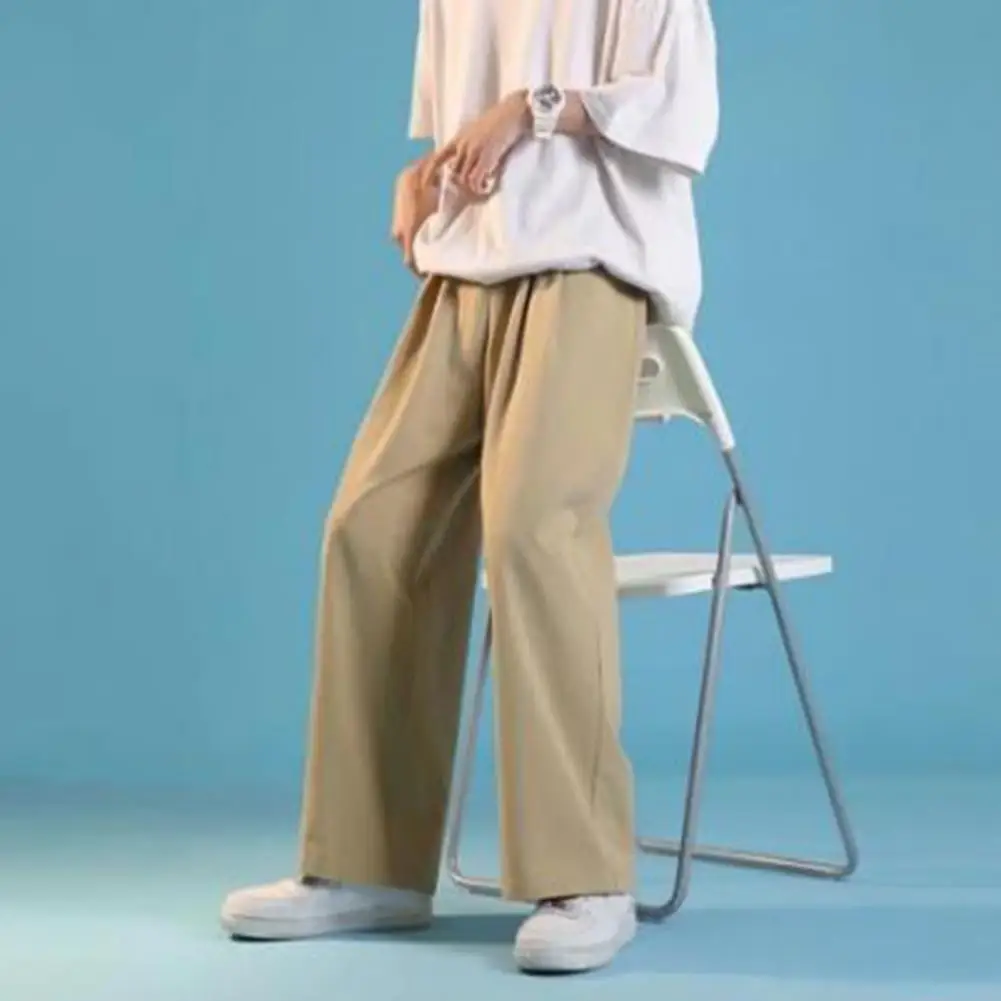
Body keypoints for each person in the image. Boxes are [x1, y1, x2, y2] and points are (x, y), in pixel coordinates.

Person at [221, 0, 719, 974]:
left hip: (592, 265)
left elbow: (680, 111)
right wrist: (426, 175)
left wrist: (531, 107)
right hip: (467, 271)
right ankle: (368, 864)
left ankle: (586, 873)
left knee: (534, 525)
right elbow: (459, 129)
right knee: (372, 528)